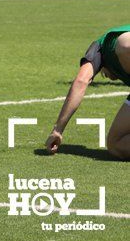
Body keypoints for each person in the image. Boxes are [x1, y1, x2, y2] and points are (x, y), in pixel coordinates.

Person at [46, 25, 130, 160]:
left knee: (124, 43)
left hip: (125, 44)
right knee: (116, 144)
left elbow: (81, 81)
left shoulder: (101, 47)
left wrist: (58, 129)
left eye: (103, 73)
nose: (106, 77)